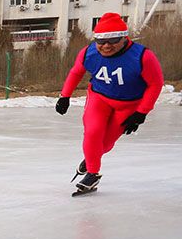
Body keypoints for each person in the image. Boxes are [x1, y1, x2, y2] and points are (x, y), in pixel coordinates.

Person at [56, 12, 164, 195]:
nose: (106, 46)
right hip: (99, 98)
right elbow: (76, 72)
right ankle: (92, 173)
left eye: (113, 40)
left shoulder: (142, 56)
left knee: (105, 143)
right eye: (101, 41)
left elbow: (156, 84)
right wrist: (64, 96)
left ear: (124, 38)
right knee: (92, 132)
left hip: (128, 105)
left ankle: (91, 159)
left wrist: (141, 113)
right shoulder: (88, 53)